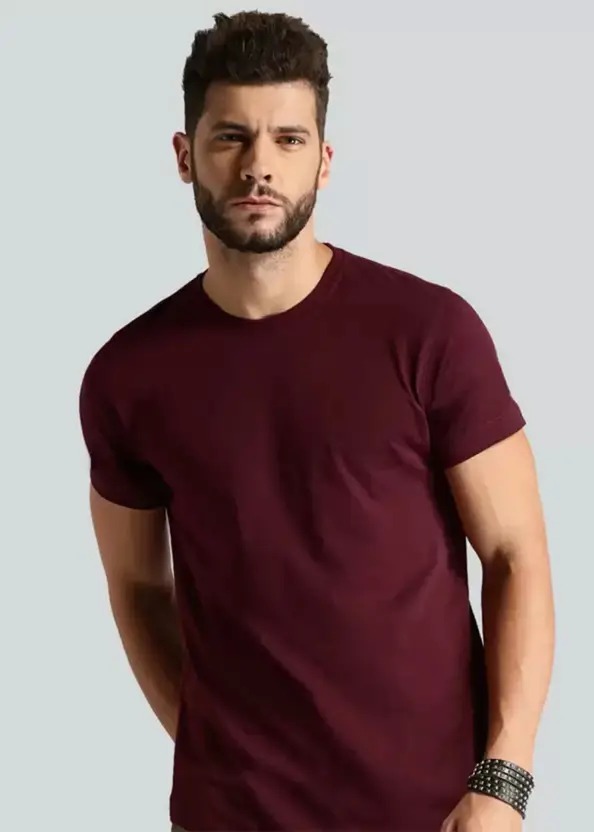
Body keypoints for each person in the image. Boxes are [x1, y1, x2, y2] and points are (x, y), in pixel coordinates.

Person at [78, 11, 555, 832]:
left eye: (288, 139)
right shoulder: (128, 376)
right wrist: (213, 747)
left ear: (324, 161)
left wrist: (503, 781)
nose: (259, 165)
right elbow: (137, 586)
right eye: (231, 137)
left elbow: (516, 554)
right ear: (185, 155)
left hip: (437, 814)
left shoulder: (430, 334)